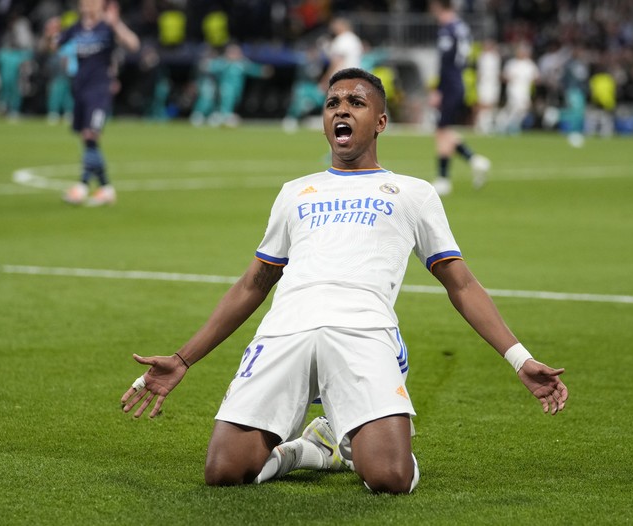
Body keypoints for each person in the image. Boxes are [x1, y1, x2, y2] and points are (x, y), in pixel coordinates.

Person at [120, 68, 568, 494]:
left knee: (389, 479)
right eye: (333, 102)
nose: (341, 109)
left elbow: (462, 285)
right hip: (285, 330)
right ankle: (310, 451)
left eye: (356, 102)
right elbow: (253, 284)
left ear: (381, 122)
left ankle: (358, 435)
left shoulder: (413, 193)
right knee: (223, 472)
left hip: (364, 330)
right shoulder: (296, 191)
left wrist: (519, 359)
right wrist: (183, 359)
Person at [42, 0, 140, 206]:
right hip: (80, 89)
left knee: (90, 134)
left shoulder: (107, 27)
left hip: (100, 90)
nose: (87, 5)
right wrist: (49, 34)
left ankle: (83, 186)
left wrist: (116, 24)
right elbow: (53, 46)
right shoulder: (76, 28)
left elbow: (133, 44)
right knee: (87, 139)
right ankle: (105, 188)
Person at [428, 0, 490, 196]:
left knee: (441, 130)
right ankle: (474, 160)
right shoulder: (462, 28)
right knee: (444, 130)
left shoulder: (448, 30)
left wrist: (438, 89)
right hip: (459, 80)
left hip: (451, 82)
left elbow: (446, 61)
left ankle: (444, 178)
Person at [496, 41, 538, 135]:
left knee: (522, 109)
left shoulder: (529, 64)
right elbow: (504, 76)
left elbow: (536, 77)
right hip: (513, 90)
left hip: (524, 91)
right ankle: (502, 125)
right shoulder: (511, 63)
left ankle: (512, 125)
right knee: (514, 107)